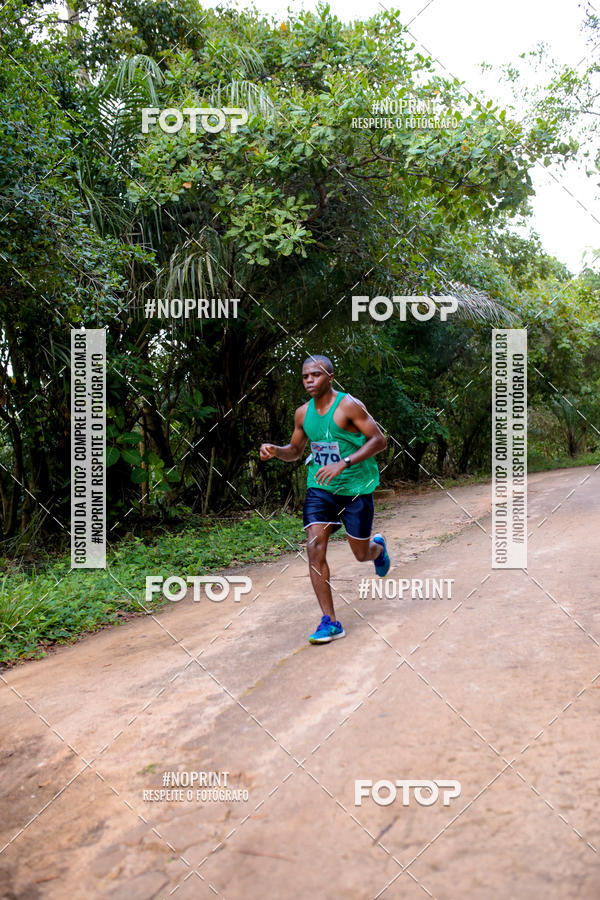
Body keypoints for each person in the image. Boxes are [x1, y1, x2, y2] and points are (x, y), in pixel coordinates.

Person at [259, 354, 391, 644]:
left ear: (330, 377)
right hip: (320, 486)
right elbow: (295, 451)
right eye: (305, 376)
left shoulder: (349, 406)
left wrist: (344, 462)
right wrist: (275, 451)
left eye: (315, 375)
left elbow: (379, 440)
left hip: (356, 487)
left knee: (360, 553)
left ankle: (377, 550)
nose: (309, 380)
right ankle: (329, 621)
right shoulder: (302, 414)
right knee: (314, 545)